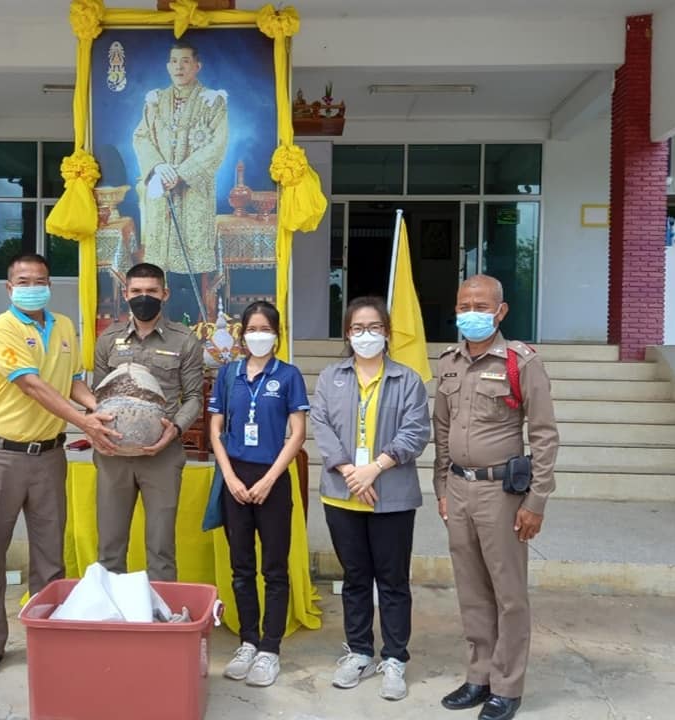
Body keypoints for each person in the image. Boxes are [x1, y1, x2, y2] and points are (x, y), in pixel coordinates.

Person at [0, 253, 119, 683]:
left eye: (40, 280)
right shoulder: (0, 329)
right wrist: (85, 422)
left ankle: (49, 637)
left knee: (50, 555)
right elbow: (32, 385)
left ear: (50, 285)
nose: (33, 287)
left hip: (49, 455)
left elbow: (71, 380)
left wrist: (98, 407)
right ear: (9, 288)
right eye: (24, 281)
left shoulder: (64, 326)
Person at [433, 274, 559, 720]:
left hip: (501, 493)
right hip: (458, 489)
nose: (472, 313)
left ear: (500, 312)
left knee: (508, 593)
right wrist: (442, 489)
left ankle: (507, 686)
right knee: (471, 590)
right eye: (464, 305)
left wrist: (536, 501)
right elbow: (442, 431)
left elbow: (543, 435)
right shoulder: (448, 363)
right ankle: (479, 676)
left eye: (482, 307)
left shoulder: (521, 362)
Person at [311, 296, 430, 700]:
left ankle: (394, 657)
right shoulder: (331, 377)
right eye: (358, 328)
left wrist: (374, 468)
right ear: (348, 334)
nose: (366, 335)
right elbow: (321, 425)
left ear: (387, 333)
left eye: (374, 328)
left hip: (391, 496)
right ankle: (359, 651)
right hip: (342, 495)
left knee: (393, 580)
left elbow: (416, 431)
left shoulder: (407, 379)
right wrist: (350, 472)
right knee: (355, 578)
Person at [209, 301, 309, 688]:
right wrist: (230, 476)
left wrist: (269, 479)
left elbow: (297, 434)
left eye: (265, 329)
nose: (258, 335)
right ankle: (248, 641)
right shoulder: (228, 374)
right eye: (252, 328)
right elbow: (216, 428)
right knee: (241, 567)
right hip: (235, 476)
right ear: (242, 334)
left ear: (277, 334)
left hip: (273, 477)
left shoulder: (288, 375)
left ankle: (270, 649)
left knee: (274, 568)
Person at [93, 262, 204, 580]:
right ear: (126, 294)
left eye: (152, 291)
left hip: (162, 455)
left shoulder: (184, 340)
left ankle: (160, 610)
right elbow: (96, 396)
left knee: (161, 549)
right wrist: (95, 427)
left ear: (165, 294)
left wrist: (175, 429)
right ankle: (111, 608)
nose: (145, 297)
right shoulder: (108, 339)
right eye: (137, 291)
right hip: (113, 455)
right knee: (110, 548)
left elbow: (194, 397)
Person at [132, 40, 228, 323]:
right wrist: (159, 167)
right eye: (174, 61)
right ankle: (158, 326)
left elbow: (218, 145)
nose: (179, 67)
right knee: (160, 268)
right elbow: (141, 137)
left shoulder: (212, 101)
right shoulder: (155, 101)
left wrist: (181, 173)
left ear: (197, 66)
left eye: (185, 61)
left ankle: (191, 329)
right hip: (161, 191)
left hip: (193, 194)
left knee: (189, 268)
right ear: (167, 66)